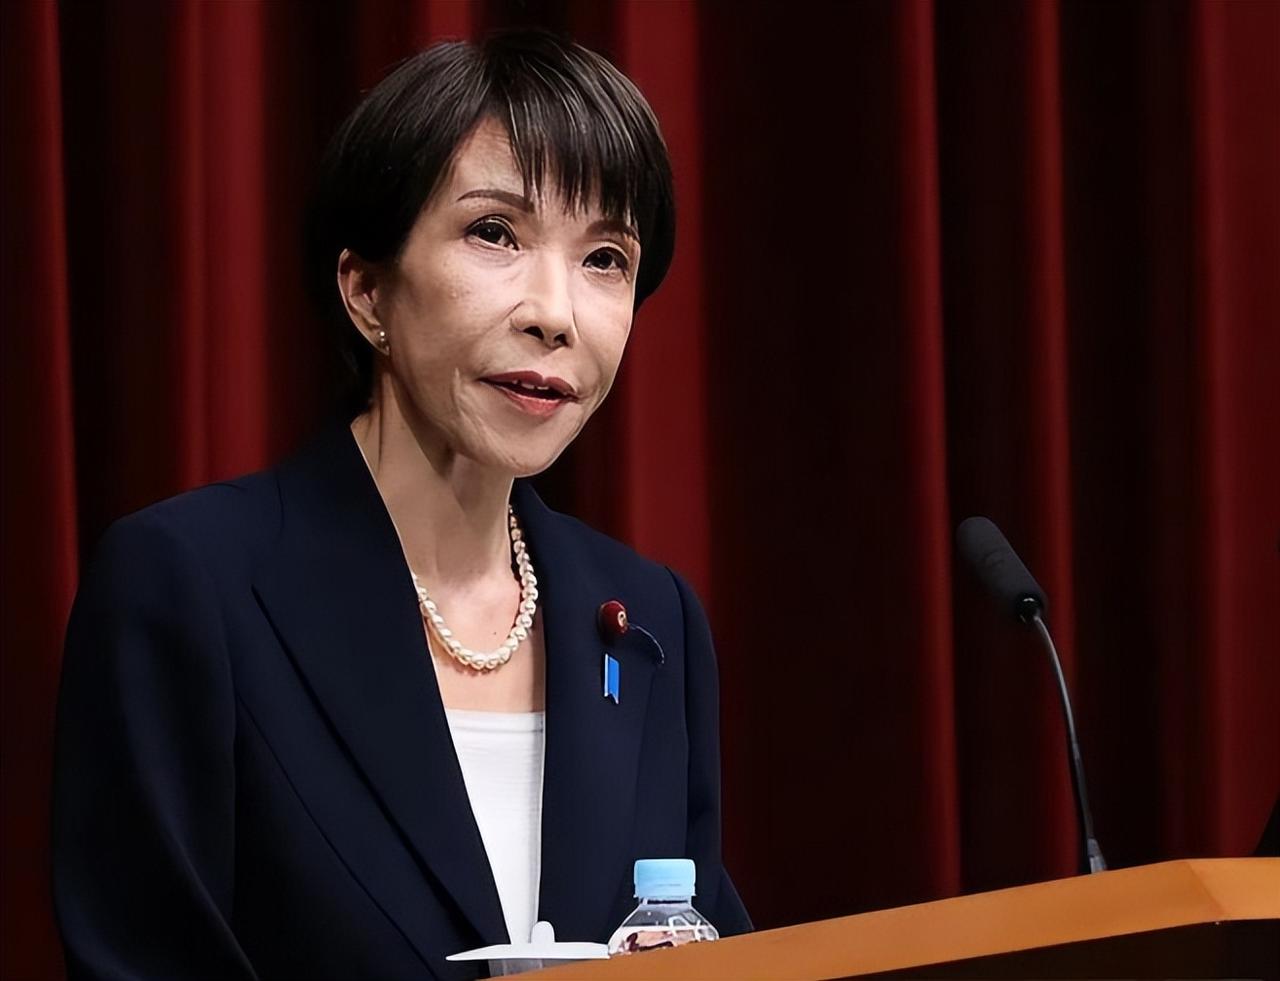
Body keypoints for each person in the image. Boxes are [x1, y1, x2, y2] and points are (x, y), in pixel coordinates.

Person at [51, 29, 751, 981]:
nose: (556, 314)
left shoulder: (647, 621)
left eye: (605, 258)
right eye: (495, 233)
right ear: (367, 290)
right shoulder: (188, 586)